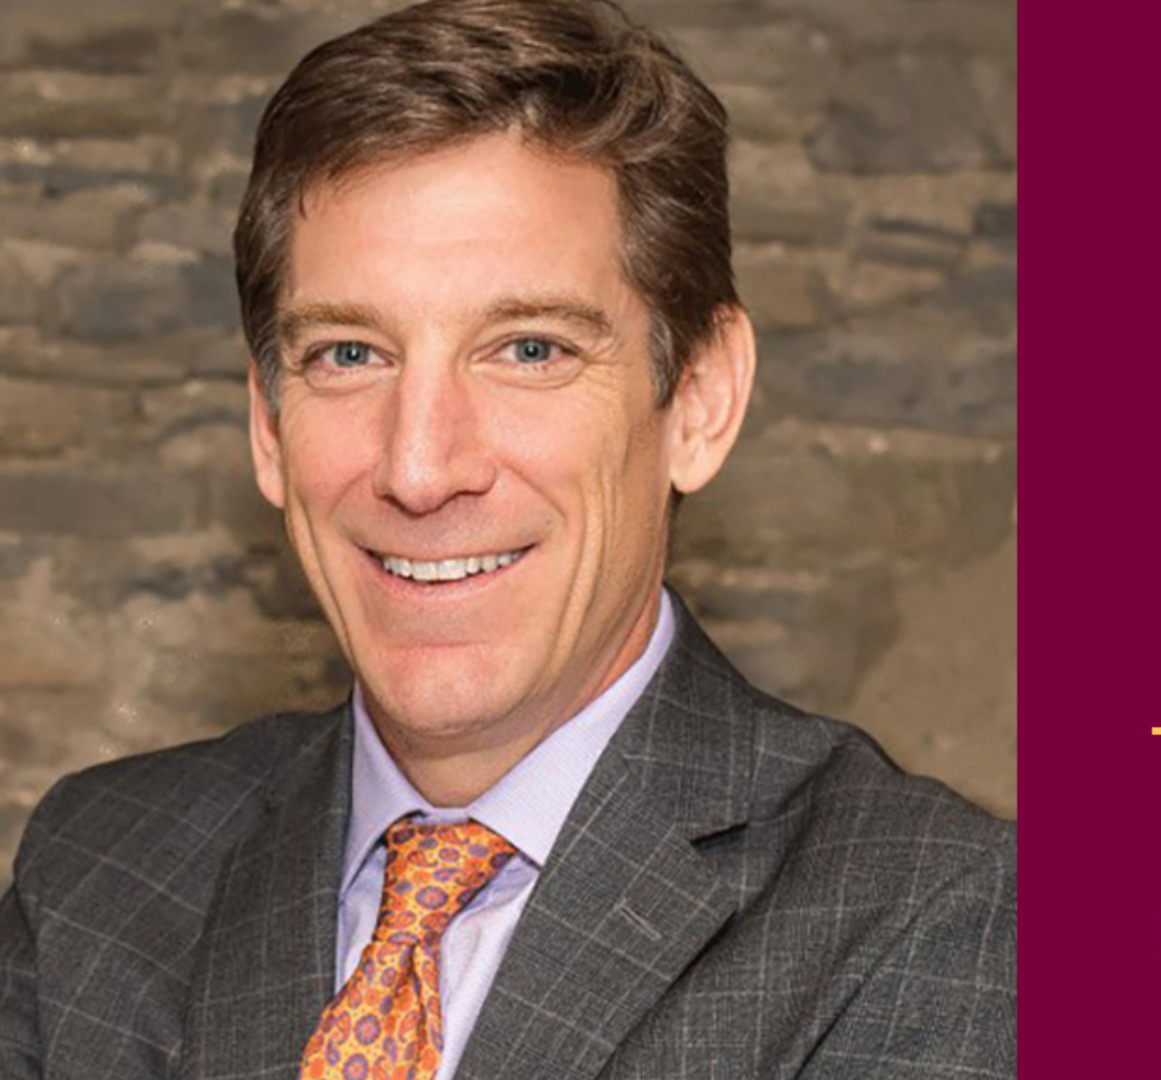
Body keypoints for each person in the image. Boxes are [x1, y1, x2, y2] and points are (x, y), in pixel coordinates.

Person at [0, 2, 1015, 1078]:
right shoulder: (99, 873)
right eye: (349, 354)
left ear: (702, 401)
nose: (421, 467)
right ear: (266, 425)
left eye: (528, 348)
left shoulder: (937, 917)